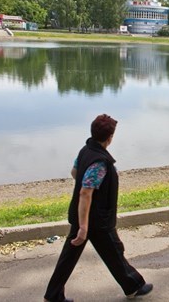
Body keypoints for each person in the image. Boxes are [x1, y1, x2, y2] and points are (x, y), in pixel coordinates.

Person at [44, 114, 153, 302]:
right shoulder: (100, 162)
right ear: (110, 137)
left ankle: (53, 296)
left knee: (72, 257)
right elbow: (85, 193)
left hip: (86, 217)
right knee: (114, 251)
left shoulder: (86, 150)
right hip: (96, 220)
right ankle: (133, 286)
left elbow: (74, 173)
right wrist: (84, 227)